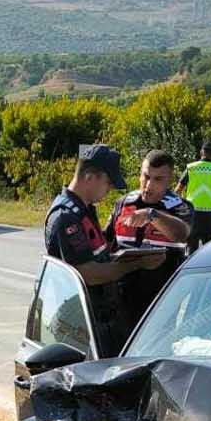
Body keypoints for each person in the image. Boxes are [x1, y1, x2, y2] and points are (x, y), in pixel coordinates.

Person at [44, 144, 164, 356]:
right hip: (80, 325)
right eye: (108, 182)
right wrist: (136, 264)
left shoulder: (84, 209)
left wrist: (125, 255)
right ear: (90, 177)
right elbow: (87, 273)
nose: (109, 189)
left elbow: (97, 254)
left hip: (99, 317)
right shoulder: (66, 216)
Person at [105, 149, 194, 329]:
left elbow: (182, 234)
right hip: (120, 298)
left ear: (170, 180)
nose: (148, 185)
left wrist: (152, 215)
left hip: (161, 303)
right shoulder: (124, 203)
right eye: (146, 176)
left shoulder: (179, 206)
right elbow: (105, 243)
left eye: (158, 179)